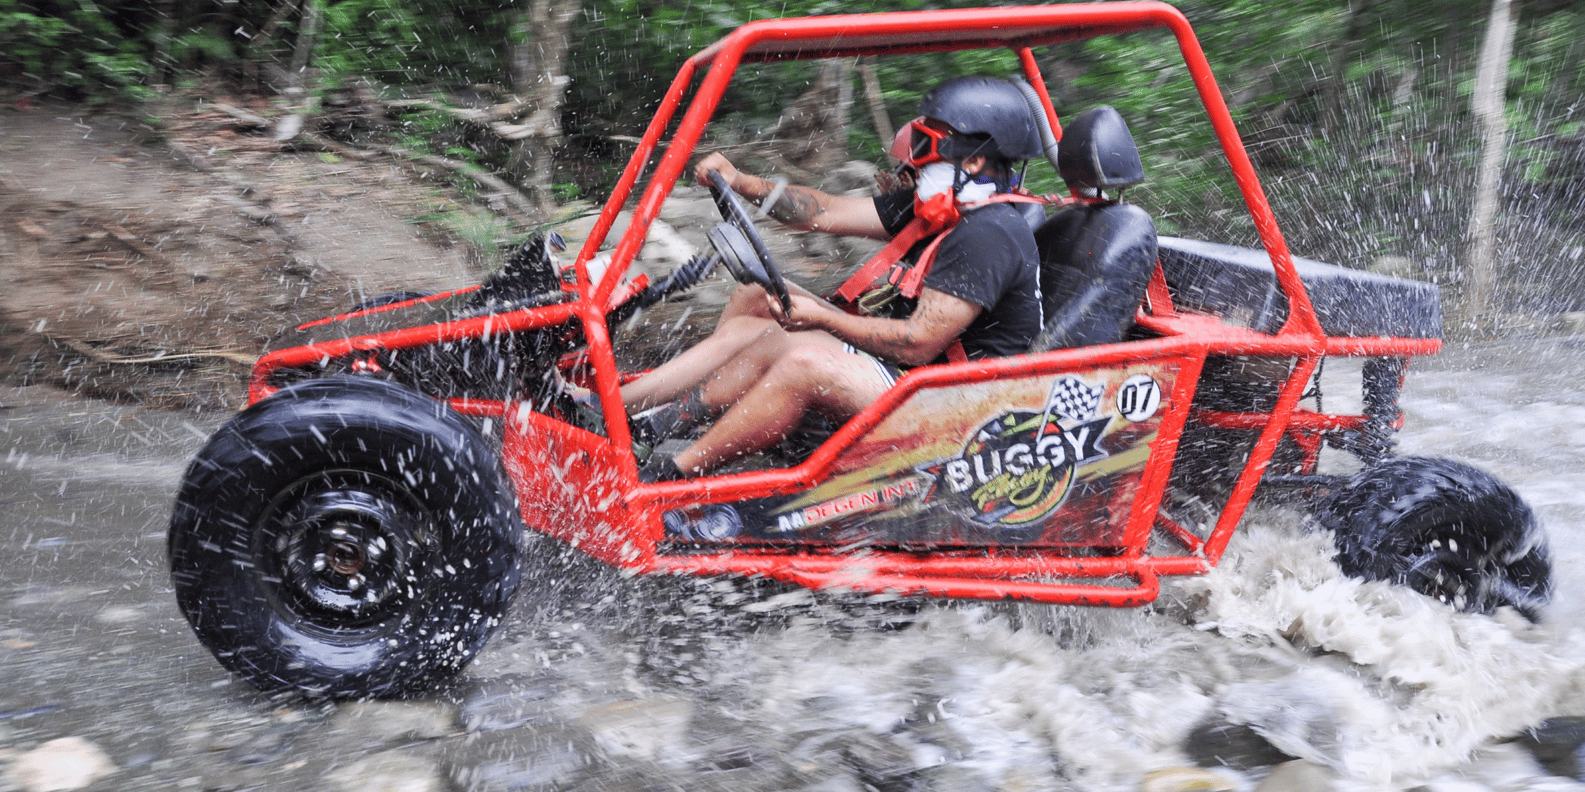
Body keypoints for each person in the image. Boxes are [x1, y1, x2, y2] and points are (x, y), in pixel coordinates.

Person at [627, 75, 1045, 481]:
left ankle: (669, 477)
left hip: (959, 407)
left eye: (924, 146)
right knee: (758, 299)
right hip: (911, 376)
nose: (913, 162)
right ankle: (637, 421)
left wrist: (824, 319)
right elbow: (823, 212)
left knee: (803, 362)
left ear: (973, 160)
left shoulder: (988, 233)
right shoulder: (941, 210)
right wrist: (741, 182)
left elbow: (919, 343)